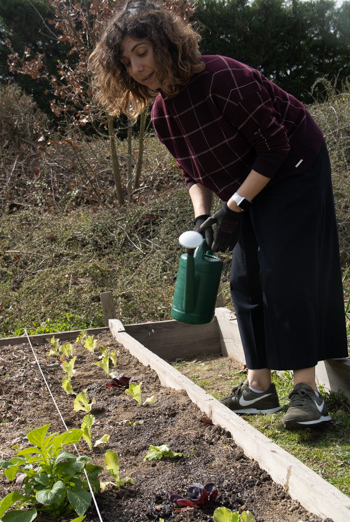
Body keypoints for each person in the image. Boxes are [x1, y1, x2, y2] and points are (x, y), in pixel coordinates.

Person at [89, 0, 348, 429]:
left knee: (287, 270)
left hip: (294, 168)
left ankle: (307, 391)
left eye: (142, 51)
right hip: (244, 185)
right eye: (126, 61)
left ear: (165, 45)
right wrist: (202, 219)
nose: (137, 67)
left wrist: (234, 206)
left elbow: (275, 147)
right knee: (243, 278)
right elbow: (192, 173)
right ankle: (259, 388)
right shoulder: (161, 114)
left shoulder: (221, 77)